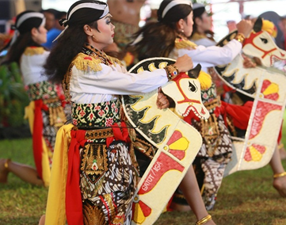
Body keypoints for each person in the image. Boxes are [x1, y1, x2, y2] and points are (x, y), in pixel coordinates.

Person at [42, 1, 213, 225]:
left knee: (117, 206)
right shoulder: (85, 66)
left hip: (115, 146)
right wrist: (173, 69)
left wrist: (161, 95)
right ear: (88, 29)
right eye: (107, 22)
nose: (113, 27)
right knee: (102, 210)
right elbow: (131, 83)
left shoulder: (103, 62)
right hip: (99, 152)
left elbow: (130, 90)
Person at [129, 0, 253, 211]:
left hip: (178, 111)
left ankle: (186, 203)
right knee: (212, 154)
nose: (192, 25)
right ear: (181, 23)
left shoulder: (167, 45)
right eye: (190, 20)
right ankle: (198, 204)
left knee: (194, 158)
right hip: (192, 114)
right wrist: (241, 34)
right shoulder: (182, 49)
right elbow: (223, 55)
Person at [0, 10, 67, 187]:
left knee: (58, 167)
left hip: (54, 111)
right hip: (47, 114)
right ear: (34, 32)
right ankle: (6, 165)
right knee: (50, 180)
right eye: (43, 27)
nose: (47, 30)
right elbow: (64, 60)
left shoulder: (35, 52)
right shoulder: (33, 54)